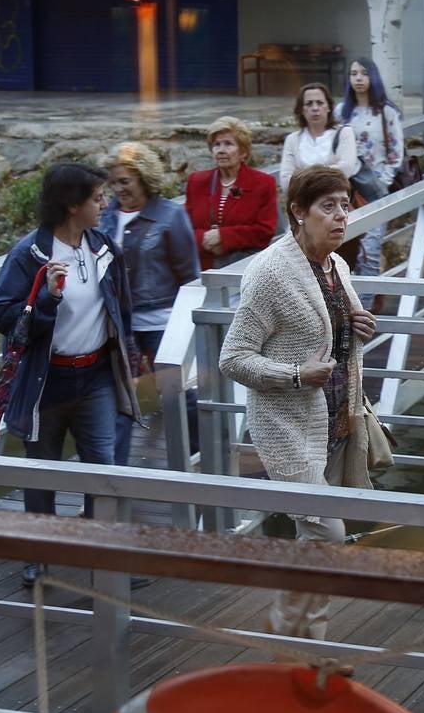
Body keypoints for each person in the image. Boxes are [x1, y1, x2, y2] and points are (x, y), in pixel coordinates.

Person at [217, 166, 378, 641]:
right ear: (298, 212)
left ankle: (310, 648)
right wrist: (294, 374)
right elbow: (234, 358)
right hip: (287, 426)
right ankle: (287, 634)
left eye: (345, 204)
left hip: (334, 421)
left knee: (316, 542)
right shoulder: (269, 272)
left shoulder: (338, 266)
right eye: (328, 207)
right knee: (326, 532)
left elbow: (331, 336)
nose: (341, 216)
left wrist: (359, 329)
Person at [0, 162, 140, 588]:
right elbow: (4, 318)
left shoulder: (105, 247)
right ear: (72, 205)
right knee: (43, 470)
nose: (105, 204)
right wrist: (47, 302)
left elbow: (120, 308)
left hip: (94, 376)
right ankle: (40, 555)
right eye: (97, 199)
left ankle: (103, 557)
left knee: (103, 469)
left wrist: (127, 350)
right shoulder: (29, 254)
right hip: (46, 379)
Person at [98, 142, 202, 465]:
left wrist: (186, 325)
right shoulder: (105, 215)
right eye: (113, 182)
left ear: (143, 178)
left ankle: (194, 459)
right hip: (119, 323)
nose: (118, 189)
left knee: (180, 396)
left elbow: (190, 275)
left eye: (125, 181)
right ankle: (115, 473)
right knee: (120, 396)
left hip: (164, 321)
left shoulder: (171, 215)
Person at [336, 57, 405, 309]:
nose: (358, 78)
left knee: (371, 248)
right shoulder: (342, 111)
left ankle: (363, 312)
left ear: (372, 77)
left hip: (376, 190)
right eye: (353, 73)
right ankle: (356, 303)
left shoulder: (386, 111)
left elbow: (397, 152)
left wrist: (382, 182)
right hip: (347, 191)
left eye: (363, 73)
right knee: (347, 249)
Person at [183, 116, 279, 270]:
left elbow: (265, 231)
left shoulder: (262, 183)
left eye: (228, 144)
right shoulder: (197, 182)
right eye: (216, 144)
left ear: (243, 152)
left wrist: (224, 237)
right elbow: (184, 229)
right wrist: (204, 239)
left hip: (244, 267)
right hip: (204, 267)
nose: (221, 150)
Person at [279, 82, 357, 196]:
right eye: (309, 104)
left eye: (320, 103)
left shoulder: (344, 133)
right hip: (305, 204)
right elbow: (286, 182)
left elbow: (345, 170)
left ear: (329, 107)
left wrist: (304, 175)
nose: (315, 108)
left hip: (336, 203)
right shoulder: (292, 140)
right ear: (301, 109)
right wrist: (328, 171)